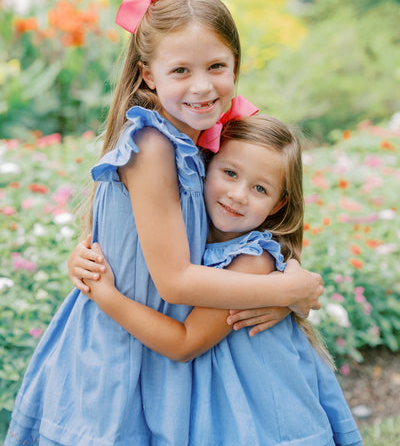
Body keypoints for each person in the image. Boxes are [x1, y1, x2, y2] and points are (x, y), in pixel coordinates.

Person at [5, 0, 323, 446]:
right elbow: (173, 278)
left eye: (217, 66)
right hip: (122, 349)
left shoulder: (205, 137)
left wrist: (283, 290)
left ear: (236, 64)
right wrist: (282, 287)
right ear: (148, 75)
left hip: (166, 342)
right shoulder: (153, 144)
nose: (202, 86)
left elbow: (239, 229)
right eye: (181, 71)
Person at [84, 113, 363, 446]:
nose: (238, 194)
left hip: (262, 413)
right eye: (229, 173)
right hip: (215, 401)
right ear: (204, 167)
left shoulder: (253, 261)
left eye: (260, 188)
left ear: (279, 204)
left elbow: (184, 343)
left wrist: (104, 294)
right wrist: (83, 254)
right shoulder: (187, 235)